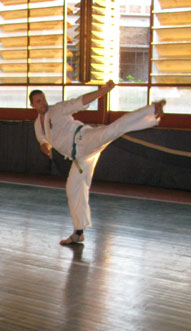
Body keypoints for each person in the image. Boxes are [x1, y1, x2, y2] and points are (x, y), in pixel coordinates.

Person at [30, 81, 165, 245]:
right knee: (73, 189)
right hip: (80, 157)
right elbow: (43, 140)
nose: (43, 103)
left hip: (84, 139)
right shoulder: (38, 124)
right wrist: (46, 147)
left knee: (112, 130)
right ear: (32, 105)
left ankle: (151, 111)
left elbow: (82, 101)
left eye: (43, 99)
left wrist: (103, 91)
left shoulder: (58, 109)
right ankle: (78, 232)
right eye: (38, 101)